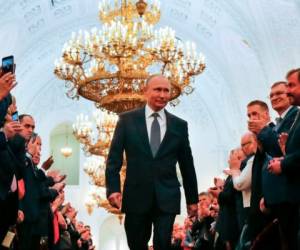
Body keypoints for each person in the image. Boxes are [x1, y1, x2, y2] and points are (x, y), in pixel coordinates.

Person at [105, 75, 198, 250]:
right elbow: (114, 159)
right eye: (157, 89)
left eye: (166, 91)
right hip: (135, 195)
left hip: (167, 196)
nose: (162, 95)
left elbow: (187, 165)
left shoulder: (179, 125)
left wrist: (192, 199)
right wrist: (113, 189)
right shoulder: (126, 120)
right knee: (136, 244)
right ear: (145, 91)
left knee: (163, 243)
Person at [268, 68, 300, 250]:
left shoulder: (294, 114)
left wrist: (284, 162)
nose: (287, 92)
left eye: (291, 86)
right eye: (271, 95)